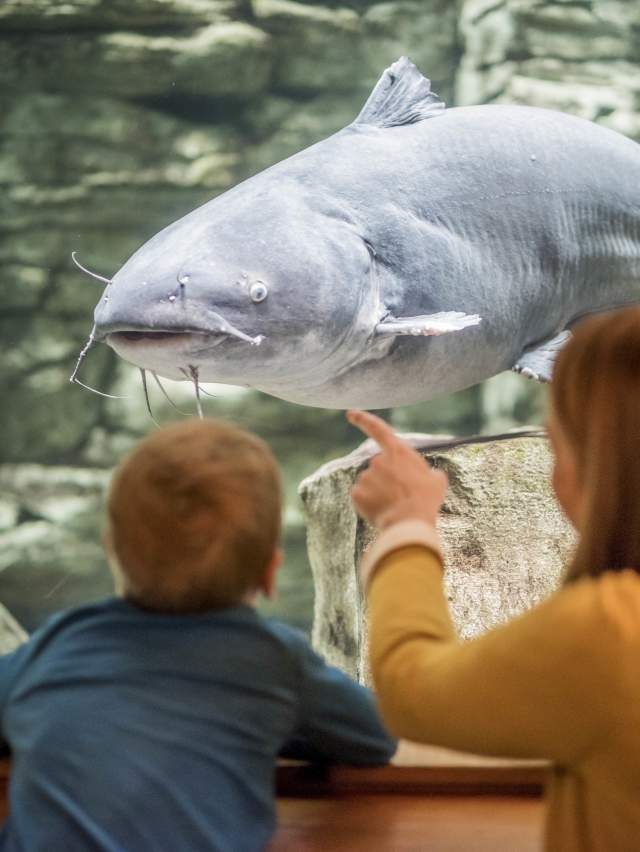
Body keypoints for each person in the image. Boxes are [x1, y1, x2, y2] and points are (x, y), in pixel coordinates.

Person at [0, 419, 396, 852]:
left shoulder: (57, 641)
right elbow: (376, 738)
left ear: (111, 547)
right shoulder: (272, 660)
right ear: (270, 572)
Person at [348, 306, 640, 852]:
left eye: (558, 444)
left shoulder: (609, 629)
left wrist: (407, 522)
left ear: (605, 464)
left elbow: (411, 689)